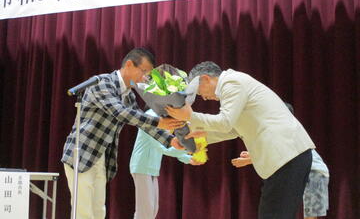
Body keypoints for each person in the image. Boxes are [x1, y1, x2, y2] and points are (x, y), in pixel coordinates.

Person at [166, 61, 316, 219]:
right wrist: (195, 139)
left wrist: (189, 116)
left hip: (287, 156)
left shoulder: (232, 82)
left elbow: (224, 123)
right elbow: (232, 130)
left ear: (205, 78)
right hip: (287, 157)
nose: (202, 98)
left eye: (199, 92)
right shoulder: (233, 83)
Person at [61, 48, 185, 219]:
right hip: (81, 153)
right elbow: (121, 113)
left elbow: (143, 125)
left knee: (98, 211)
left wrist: (171, 141)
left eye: (147, 75)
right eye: (143, 72)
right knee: (83, 212)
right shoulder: (102, 83)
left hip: (101, 156)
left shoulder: (128, 95)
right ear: (128, 64)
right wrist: (158, 121)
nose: (144, 78)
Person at [130, 108, 203, 219]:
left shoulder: (165, 116)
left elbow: (166, 147)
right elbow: (164, 147)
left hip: (152, 167)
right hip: (141, 165)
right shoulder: (151, 117)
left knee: (152, 210)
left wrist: (189, 158)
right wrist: (188, 150)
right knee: (145, 211)